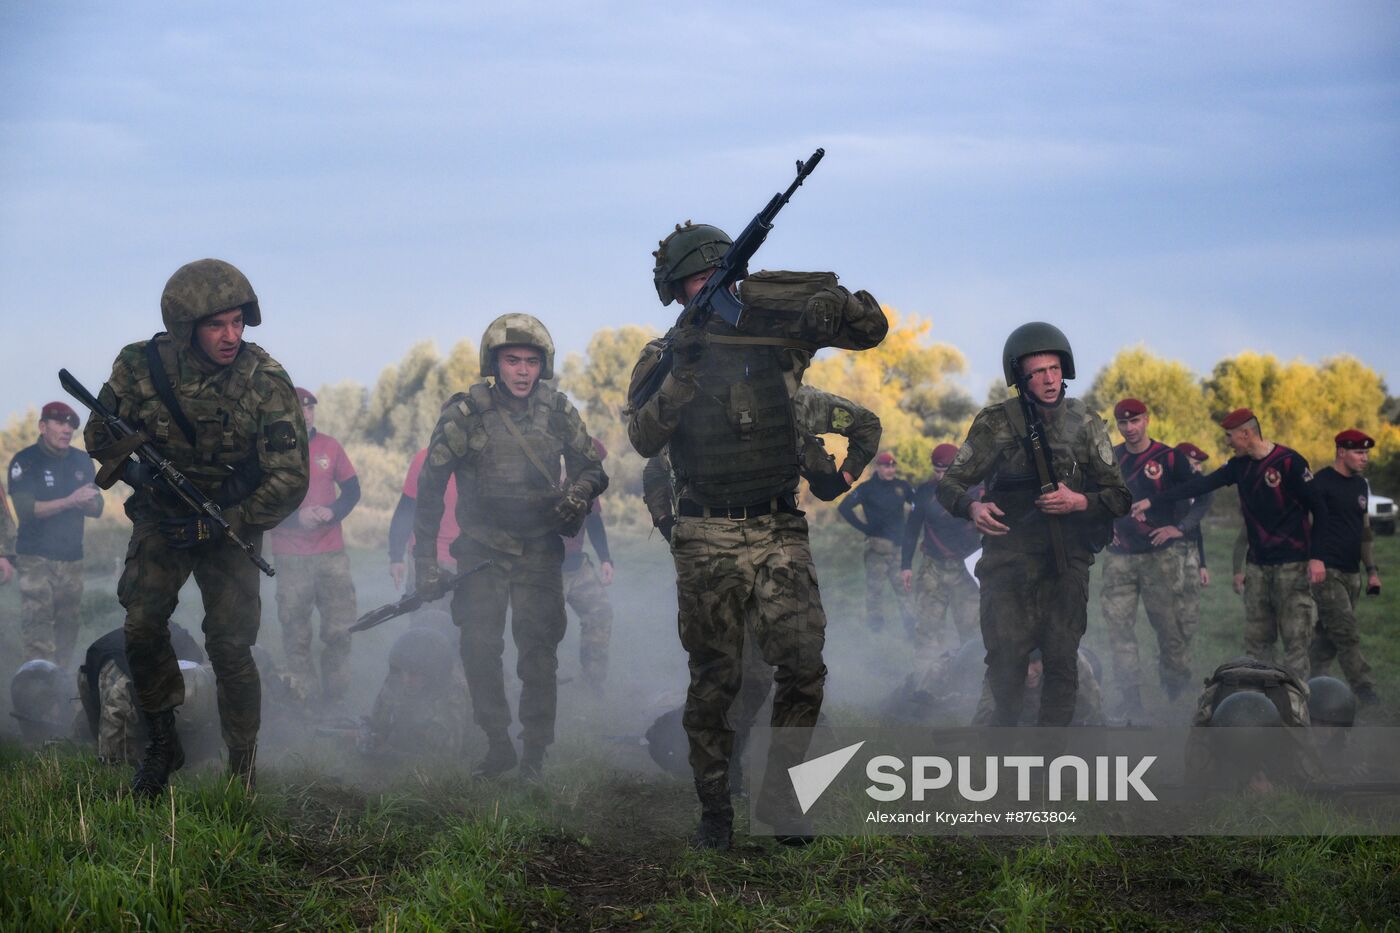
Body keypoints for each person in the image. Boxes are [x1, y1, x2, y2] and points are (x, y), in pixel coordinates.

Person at [628, 220, 888, 848]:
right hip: (705, 533)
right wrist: (684, 373)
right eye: (697, 281)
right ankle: (715, 808)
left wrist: (819, 294)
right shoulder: (664, 356)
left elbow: (866, 329)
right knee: (716, 680)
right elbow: (643, 440)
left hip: (779, 526)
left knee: (802, 669)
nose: (711, 291)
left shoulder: (776, 337)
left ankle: (786, 804)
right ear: (676, 290)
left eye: (719, 277)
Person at [84, 258, 309, 797]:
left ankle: (242, 765)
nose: (232, 336)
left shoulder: (266, 381)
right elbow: (99, 432)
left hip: (232, 522)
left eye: (238, 322)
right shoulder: (141, 366)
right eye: (217, 325)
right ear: (186, 327)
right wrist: (141, 475)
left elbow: (289, 478)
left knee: (231, 647)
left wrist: (226, 522)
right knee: (141, 626)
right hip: (164, 516)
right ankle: (163, 741)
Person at [412, 314, 607, 782]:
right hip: (480, 551)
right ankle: (497, 744)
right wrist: (424, 565)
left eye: (531, 361)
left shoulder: (558, 410)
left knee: (539, 653)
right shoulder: (465, 414)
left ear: (544, 365)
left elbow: (594, 469)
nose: (522, 370)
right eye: (512, 360)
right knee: (479, 649)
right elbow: (431, 488)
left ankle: (535, 754)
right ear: (494, 363)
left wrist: (578, 494)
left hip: (539, 550)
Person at [937, 322, 1130, 727]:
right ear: (1019, 378)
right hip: (1008, 561)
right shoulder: (995, 424)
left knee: (1061, 662)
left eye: (1055, 369)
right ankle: (1005, 749)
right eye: (1038, 372)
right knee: (1006, 663)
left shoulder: (1086, 423)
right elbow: (951, 483)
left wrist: (1079, 500)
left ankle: (1048, 761)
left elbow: (1119, 497)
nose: (1049, 379)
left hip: (1066, 561)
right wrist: (972, 508)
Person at [1131, 408, 1327, 679]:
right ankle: (1265, 703)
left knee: (1295, 641)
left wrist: (1317, 557)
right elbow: (1199, 485)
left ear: (1246, 434)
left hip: (1293, 565)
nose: (1227, 442)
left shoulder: (1290, 462)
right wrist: (1153, 500)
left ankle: (1296, 709)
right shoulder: (1238, 466)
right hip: (1257, 566)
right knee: (1258, 641)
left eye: (1230, 436)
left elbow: (1321, 509)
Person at [1099, 399, 1212, 712]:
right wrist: (1101, 526)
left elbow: (1203, 495)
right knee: (1119, 629)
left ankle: (1175, 694)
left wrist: (1180, 527)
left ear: (1147, 420)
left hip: (1159, 558)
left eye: (1135, 421)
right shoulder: (1111, 458)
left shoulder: (1169, 457)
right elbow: (1098, 498)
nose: (1129, 428)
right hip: (1119, 558)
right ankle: (1131, 700)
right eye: (1123, 423)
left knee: (1169, 630)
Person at [267, 387, 361, 706]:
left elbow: (352, 491)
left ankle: (336, 699)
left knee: (340, 629)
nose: (305, 414)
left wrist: (333, 511)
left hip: (331, 554)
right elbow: (262, 504)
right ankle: (304, 701)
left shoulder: (331, 447)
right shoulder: (270, 452)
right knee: (296, 634)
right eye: (299, 409)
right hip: (290, 556)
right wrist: (297, 519)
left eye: (310, 409)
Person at [6, 401, 103, 667]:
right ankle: (37, 691)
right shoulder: (25, 461)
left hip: (72, 558)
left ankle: (61, 686)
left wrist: (90, 502)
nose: (66, 430)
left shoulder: (81, 460)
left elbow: (97, 506)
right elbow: (26, 510)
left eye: (71, 425)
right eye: (60, 424)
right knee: (38, 629)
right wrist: (72, 500)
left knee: (68, 626)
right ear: (42, 426)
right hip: (35, 558)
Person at [1306, 430, 1382, 705]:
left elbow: (1364, 530)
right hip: (1327, 571)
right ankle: (1365, 689)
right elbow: (1308, 525)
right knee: (1346, 631)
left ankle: (1310, 685)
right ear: (1341, 451)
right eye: (1359, 453)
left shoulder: (1361, 485)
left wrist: (1371, 570)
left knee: (1327, 638)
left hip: (1352, 573)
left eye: (1366, 453)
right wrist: (1314, 561)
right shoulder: (1321, 483)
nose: (1365, 458)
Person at [74, 623, 214, 764]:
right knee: (119, 758)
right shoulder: (119, 689)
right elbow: (113, 756)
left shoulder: (194, 662)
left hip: (140, 664)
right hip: (107, 670)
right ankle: (79, 735)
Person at [900, 444, 981, 658]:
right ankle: (926, 685)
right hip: (933, 568)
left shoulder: (976, 490)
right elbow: (911, 529)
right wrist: (906, 565)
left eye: (946, 471)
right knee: (927, 631)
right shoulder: (925, 492)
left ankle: (970, 684)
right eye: (937, 472)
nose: (941, 476)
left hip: (967, 568)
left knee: (971, 631)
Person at [388, 402, 463, 592]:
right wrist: (396, 558)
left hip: (466, 561)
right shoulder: (423, 460)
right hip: (426, 559)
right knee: (425, 620)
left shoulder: (480, 464)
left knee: (463, 621)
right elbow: (405, 510)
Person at [562, 438, 616, 694]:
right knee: (544, 628)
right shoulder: (548, 477)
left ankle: (593, 682)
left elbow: (593, 521)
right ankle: (539, 684)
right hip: (544, 566)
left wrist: (605, 558)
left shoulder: (587, 484)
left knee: (600, 612)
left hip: (576, 565)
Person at [838, 451, 915, 632]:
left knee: (903, 590)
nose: (889, 470)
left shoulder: (902, 486)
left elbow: (917, 505)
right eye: (885, 466)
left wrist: (912, 528)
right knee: (875, 590)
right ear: (877, 468)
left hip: (898, 548)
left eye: (892, 466)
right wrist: (864, 528)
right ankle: (875, 627)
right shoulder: (866, 489)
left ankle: (911, 626)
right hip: (877, 549)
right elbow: (844, 507)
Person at [1174, 442, 1215, 642]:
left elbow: (1195, 527)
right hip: (1171, 552)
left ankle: (1185, 645)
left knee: (1191, 603)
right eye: (1195, 463)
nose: (1199, 469)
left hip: (1191, 552)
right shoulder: (1170, 487)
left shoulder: (1195, 489)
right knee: (1173, 605)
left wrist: (1203, 564)